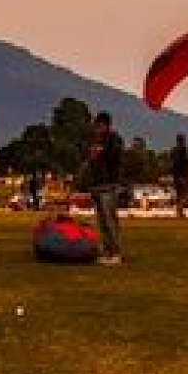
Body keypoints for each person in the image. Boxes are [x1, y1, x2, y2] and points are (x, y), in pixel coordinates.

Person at [82, 111, 126, 265]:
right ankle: (107, 252)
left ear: (106, 125)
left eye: (99, 125)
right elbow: (91, 161)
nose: (97, 128)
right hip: (97, 185)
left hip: (110, 186)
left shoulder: (115, 139)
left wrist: (101, 152)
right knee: (101, 221)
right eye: (96, 125)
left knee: (110, 220)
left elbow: (115, 156)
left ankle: (116, 253)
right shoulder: (95, 140)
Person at [169, 134, 188, 219]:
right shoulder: (183, 150)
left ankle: (179, 211)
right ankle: (180, 211)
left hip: (176, 175)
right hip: (183, 175)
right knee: (184, 193)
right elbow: (185, 163)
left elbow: (173, 164)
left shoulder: (174, 150)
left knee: (179, 194)